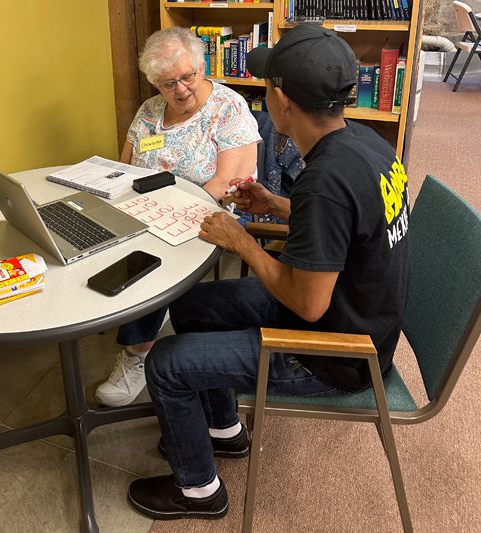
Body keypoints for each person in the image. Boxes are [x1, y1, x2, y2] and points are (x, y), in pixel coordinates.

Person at [126, 24, 410, 520]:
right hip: (362, 313)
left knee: (165, 363)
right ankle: (224, 430)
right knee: (193, 306)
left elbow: (307, 304)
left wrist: (243, 244)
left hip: (335, 354)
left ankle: (198, 492)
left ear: (280, 101)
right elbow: (346, 227)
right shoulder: (365, 142)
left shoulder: (324, 181)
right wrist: (276, 205)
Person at [95, 27, 260, 407]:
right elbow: (125, 165)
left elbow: (225, 185)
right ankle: (128, 312)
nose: (181, 89)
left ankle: (137, 350)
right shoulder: (150, 111)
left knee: (147, 255)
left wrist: (168, 209)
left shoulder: (228, 108)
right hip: (145, 206)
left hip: (209, 213)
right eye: (168, 84)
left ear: (203, 67)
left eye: (188, 77)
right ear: (155, 82)